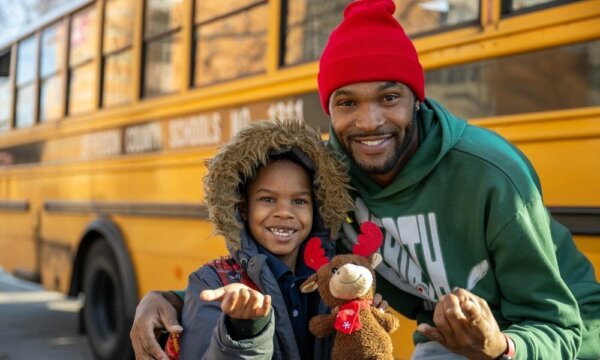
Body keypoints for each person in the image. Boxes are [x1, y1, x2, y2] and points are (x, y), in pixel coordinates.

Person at [130, 1, 600, 359]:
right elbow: (292, 268)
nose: (369, 122)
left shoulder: (493, 173)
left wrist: (501, 346)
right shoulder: (330, 180)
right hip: (447, 340)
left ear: (416, 98)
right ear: (329, 110)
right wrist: (170, 297)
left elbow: (559, 323)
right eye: (347, 103)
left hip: (557, 339)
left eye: (389, 97)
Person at [174, 120, 354, 359]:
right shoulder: (212, 282)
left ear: (317, 210)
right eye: (268, 199)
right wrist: (242, 332)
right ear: (243, 208)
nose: (284, 212)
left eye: (299, 201)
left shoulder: (338, 279)